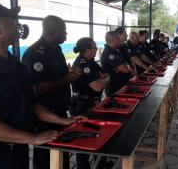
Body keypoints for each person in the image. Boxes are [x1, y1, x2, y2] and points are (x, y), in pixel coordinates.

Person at [0, 1, 84, 169]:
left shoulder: (15, 65)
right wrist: (32, 138)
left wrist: (62, 120)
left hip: (19, 148)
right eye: (11, 21)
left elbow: (31, 103)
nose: (17, 25)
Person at [22, 15, 81, 169]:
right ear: (52, 31)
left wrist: (69, 74)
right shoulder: (35, 53)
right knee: (46, 160)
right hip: (45, 118)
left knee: (62, 157)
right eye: (64, 31)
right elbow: (37, 88)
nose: (66, 35)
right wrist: (67, 79)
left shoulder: (56, 50)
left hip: (60, 114)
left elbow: (58, 77)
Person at [70, 37, 110, 169]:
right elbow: (98, 87)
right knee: (84, 141)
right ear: (87, 49)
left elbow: (107, 76)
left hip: (93, 103)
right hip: (83, 105)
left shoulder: (91, 63)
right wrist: (103, 82)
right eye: (94, 48)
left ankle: (101, 164)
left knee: (98, 135)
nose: (96, 50)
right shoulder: (83, 65)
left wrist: (102, 81)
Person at [101, 31, 134, 96]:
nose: (120, 40)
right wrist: (128, 69)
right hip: (115, 88)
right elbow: (125, 69)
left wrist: (128, 68)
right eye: (118, 38)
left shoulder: (116, 51)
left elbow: (125, 63)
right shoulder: (109, 53)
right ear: (112, 40)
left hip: (122, 84)